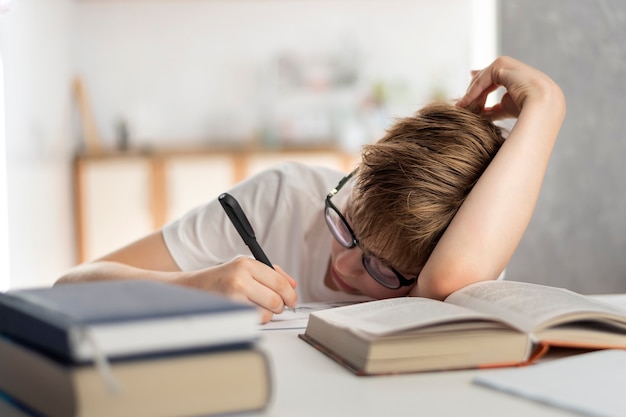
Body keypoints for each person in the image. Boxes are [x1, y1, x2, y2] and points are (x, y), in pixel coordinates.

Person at [56, 56, 566, 323]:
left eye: (382, 269)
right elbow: (68, 292)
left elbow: (445, 279)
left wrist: (546, 102)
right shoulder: (282, 199)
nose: (341, 264)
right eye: (343, 223)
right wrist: (193, 286)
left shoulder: (467, 249)